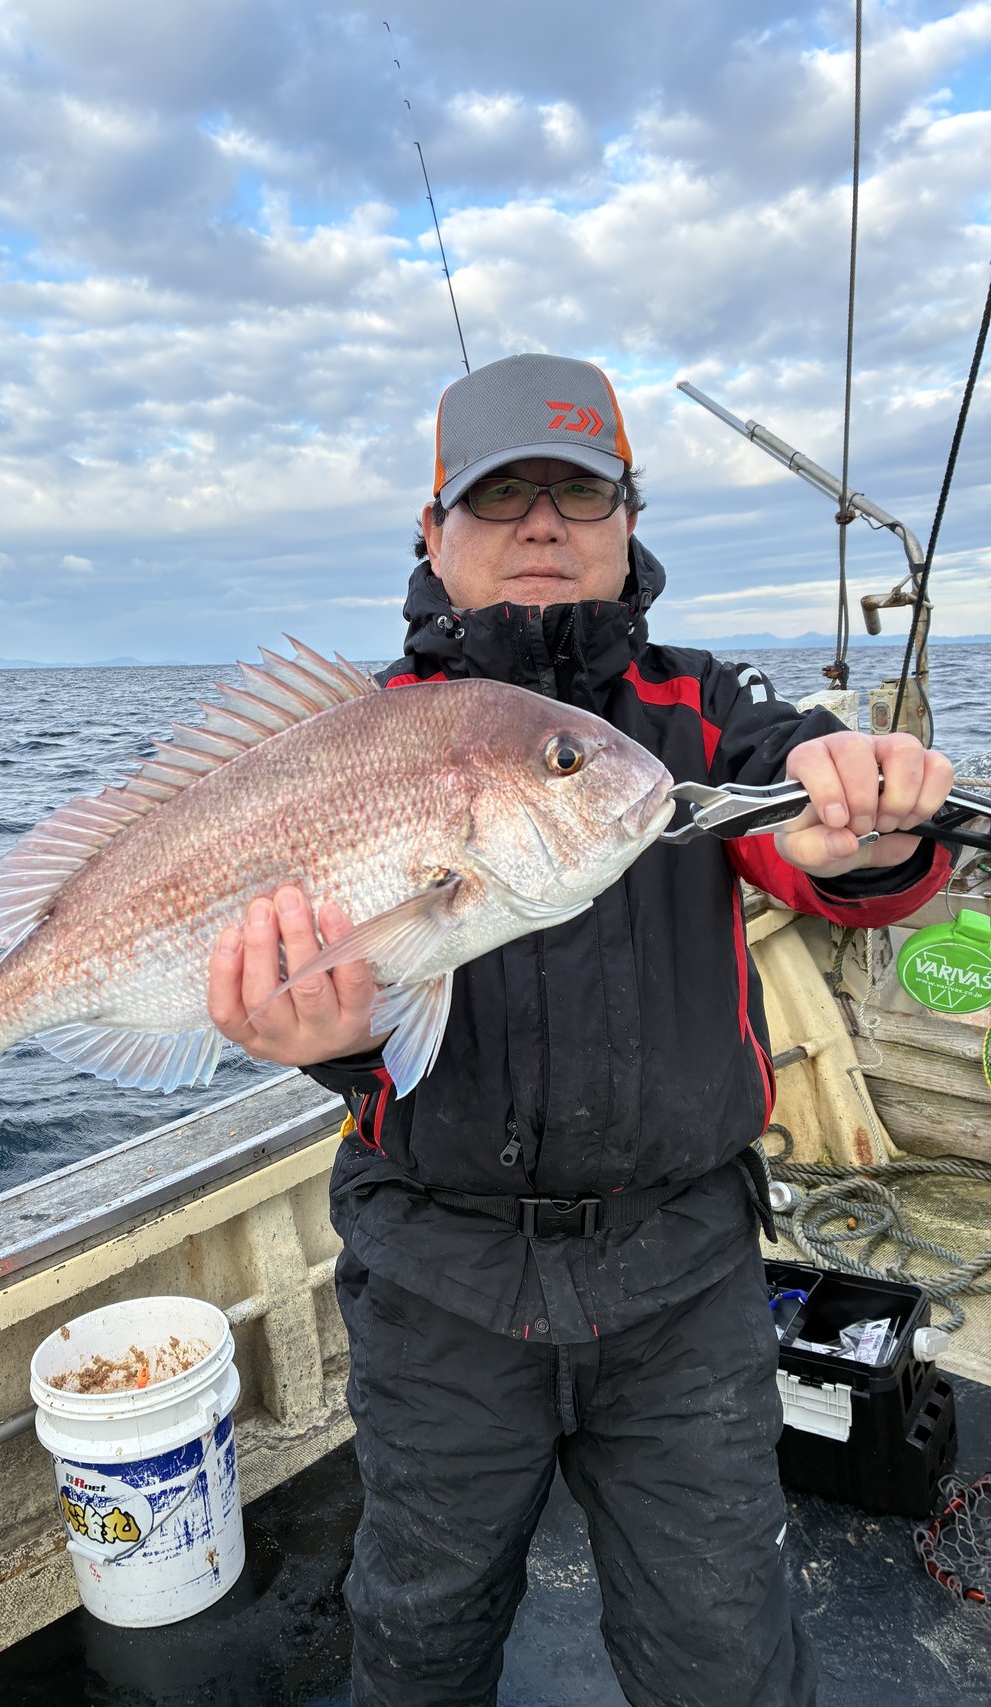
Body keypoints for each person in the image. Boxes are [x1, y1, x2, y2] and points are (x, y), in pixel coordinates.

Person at [207, 353, 957, 1707]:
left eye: (581, 491)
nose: (543, 522)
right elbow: (362, 1032)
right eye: (502, 495)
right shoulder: (358, 741)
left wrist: (868, 820)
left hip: (686, 1282)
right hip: (436, 1285)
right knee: (419, 1641)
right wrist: (323, 1039)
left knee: (725, 1654)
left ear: (629, 520)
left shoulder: (701, 713)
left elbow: (807, 834)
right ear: (434, 532)